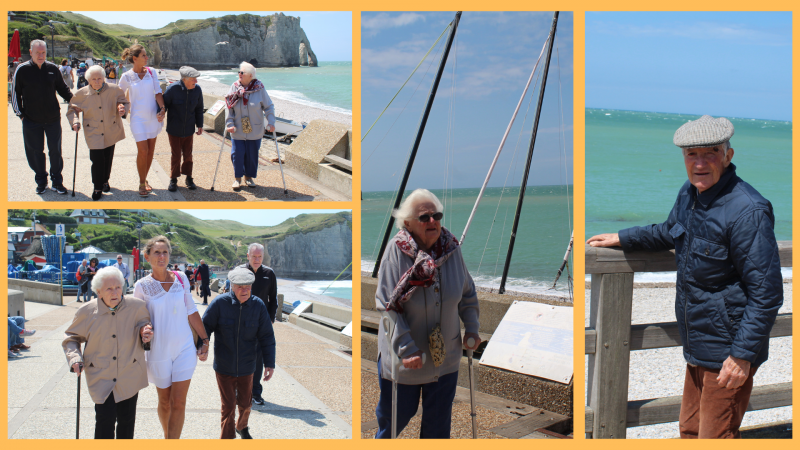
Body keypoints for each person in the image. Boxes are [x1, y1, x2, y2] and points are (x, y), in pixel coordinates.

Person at [586, 115, 784, 439]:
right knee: (690, 431)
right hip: (698, 343)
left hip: (728, 351)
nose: (700, 163)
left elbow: (768, 292)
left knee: (714, 437)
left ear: (728, 155)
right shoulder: (691, 194)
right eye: (692, 154)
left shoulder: (748, 210)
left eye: (710, 153)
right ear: (683, 157)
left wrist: (742, 356)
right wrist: (623, 237)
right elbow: (670, 231)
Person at [374, 188, 481, 439]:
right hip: (405, 359)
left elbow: (468, 292)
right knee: (393, 424)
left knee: (437, 429)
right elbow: (387, 305)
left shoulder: (452, 249)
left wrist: (472, 328)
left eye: (437, 215)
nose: (433, 221)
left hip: (446, 359)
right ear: (408, 223)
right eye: (424, 217)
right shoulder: (396, 251)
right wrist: (406, 348)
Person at [133, 236, 209, 439]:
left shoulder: (182, 278)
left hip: (184, 348)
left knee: (180, 401)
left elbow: (191, 311)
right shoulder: (141, 286)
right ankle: (168, 436)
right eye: (157, 252)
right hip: (159, 350)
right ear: (147, 256)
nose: (161, 256)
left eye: (165, 252)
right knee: (165, 401)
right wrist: (143, 330)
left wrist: (205, 339)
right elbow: (137, 319)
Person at [63, 267, 152, 438]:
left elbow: (145, 325)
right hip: (101, 375)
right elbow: (71, 338)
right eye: (109, 288)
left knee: (127, 421)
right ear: (98, 292)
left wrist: (145, 332)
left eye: (118, 287)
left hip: (129, 373)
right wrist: (75, 358)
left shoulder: (137, 307)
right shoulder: (86, 311)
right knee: (104, 421)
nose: (115, 292)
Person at [202, 267, 276, 439]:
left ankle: (241, 426)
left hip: (248, 365)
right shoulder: (219, 303)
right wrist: (202, 345)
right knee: (228, 406)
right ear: (231, 286)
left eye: (248, 287)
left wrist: (269, 364)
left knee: (245, 404)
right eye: (240, 287)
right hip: (224, 365)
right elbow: (205, 327)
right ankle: (227, 438)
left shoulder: (258, 306)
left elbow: (267, 336)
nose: (245, 290)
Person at [11, 40, 73, 195]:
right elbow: (15, 93)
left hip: (52, 118)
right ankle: (41, 181)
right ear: (30, 52)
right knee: (35, 151)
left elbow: (63, 89)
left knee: (55, 151)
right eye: (37, 52)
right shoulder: (22, 69)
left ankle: (57, 182)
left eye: (43, 52)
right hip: (31, 120)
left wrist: (77, 101)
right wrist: (21, 115)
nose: (41, 55)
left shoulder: (52, 69)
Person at [66, 65, 130, 200]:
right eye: (93, 79)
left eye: (99, 78)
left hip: (110, 129)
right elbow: (72, 110)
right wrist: (75, 122)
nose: (97, 81)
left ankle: (105, 180)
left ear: (104, 78)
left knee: (108, 157)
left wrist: (122, 109)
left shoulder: (114, 89)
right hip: (93, 131)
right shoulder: (82, 93)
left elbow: (123, 101)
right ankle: (97, 187)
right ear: (88, 80)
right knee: (96, 160)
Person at [117, 44, 166, 197]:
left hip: (153, 117)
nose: (147, 57)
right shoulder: (126, 76)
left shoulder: (151, 72)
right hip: (137, 118)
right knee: (143, 150)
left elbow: (158, 92)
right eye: (144, 55)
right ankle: (141, 182)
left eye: (146, 55)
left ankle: (145, 180)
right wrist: (120, 106)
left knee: (151, 151)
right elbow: (118, 95)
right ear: (135, 58)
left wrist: (162, 109)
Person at [224, 62, 275, 191]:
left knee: (252, 155)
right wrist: (229, 124)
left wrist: (271, 122)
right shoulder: (234, 87)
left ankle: (249, 177)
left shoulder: (259, 88)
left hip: (255, 129)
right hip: (237, 129)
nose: (239, 74)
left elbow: (268, 106)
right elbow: (229, 106)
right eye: (239, 72)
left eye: (242, 72)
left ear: (251, 75)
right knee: (237, 154)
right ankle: (237, 179)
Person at [238, 243, 277, 406]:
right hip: (241, 322)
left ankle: (255, 392)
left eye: (259, 256)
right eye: (253, 256)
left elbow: (273, 299)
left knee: (258, 359)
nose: (256, 259)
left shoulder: (269, 274)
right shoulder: (239, 272)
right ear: (248, 256)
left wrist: (271, 320)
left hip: (261, 325)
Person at [163, 66, 204, 192]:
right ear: (185, 79)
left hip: (189, 130)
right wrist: (159, 115)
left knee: (188, 155)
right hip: (174, 129)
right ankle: (173, 179)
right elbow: (163, 106)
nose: (196, 82)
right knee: (176, 155)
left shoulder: (197, 90)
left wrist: (200, 125)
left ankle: (189, 178)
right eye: (194, 79)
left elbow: (199, 109)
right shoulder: (172, 89)